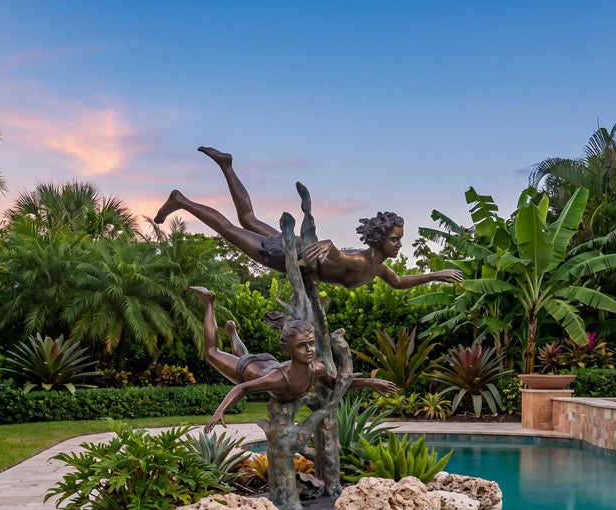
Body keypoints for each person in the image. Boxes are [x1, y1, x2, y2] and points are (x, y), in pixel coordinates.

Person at [155, 147, 463, 289]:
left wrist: (437, 275)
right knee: (230, 228)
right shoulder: (363, 262)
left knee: (249, 218)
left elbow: (399, 282)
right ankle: (181, 200)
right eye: (395, 238)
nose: (399, 244)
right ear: (380, 239)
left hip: (301, 245)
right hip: (286, 253)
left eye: (399, 239)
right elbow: (339, 254)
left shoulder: (378, 266)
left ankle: (227, 166)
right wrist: (327, 245)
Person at [191, 287, 396, 432]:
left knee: (244, 355)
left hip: (268, 363)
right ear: (289, 350)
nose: (308, 350)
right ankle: (209, 303)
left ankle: (233, 334)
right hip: (249, 370)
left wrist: (371, 382)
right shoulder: (277, 380)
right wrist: (221, 410)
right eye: (301, 346)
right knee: (213, 353)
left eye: (310, 343)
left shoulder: (317, 369)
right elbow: (241, 388)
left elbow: (336, 385)